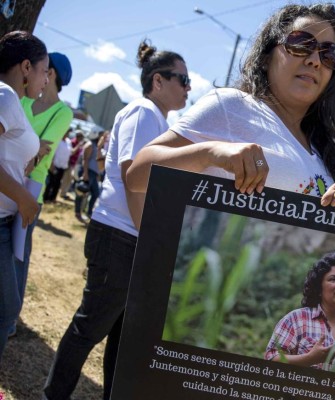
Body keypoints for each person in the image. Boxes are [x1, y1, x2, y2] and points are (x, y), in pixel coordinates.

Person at [43, 39, 191, 400]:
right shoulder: (143, 113)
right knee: (90, 327)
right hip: (121, 235)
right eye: (182, 80)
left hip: (129, 236)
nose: (189, 88)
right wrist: (149, 239)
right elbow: (133, 179)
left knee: (122, 338)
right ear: (158, 80)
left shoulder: (154, 118)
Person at [127, 3, 335, 212]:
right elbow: (137, 175)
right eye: (301, 43)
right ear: (265, 57)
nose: (314, 60)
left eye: (329, 54)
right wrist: (210, 153)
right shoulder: (231, 105)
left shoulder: (321, 151)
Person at [11, 51, 73, 337]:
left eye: (46, 67)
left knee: (18, 251)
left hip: (30, 185)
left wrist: (18, 152)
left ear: (54, 74)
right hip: (9, 178)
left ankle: (10, 317)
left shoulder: (63, 112)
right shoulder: (22, 99)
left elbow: (44, 148)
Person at [0, 30, 48, 362]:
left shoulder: (13, 101)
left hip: (6, 222)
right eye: (45, 71)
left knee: (7, 307)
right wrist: (24, 198)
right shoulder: (4, 95)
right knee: (5, 310)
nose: (47, 79)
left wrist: (28, 160)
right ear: (27, 67)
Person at [264, 252, 335, 379]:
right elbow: (270, 360)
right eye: (333, 279)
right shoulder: (296, 319)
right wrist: (309, 359)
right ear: (319, 288)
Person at [74, 130, 101, 223]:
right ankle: (78, 213)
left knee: (96, 193)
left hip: (93, 173)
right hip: (88, 172)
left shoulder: (97, 146)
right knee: (81, 192)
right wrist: (85, 173)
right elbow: (85, 159)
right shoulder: (90, 145)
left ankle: (88, 213)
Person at [43, 128, 73, 202]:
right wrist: (52, 164)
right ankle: (46, 198)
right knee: (51, 182)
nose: (68, 134)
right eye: (67, 132)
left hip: (63, 166)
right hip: (55, 165)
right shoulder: (58, 140)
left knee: (57, 183)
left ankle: (53, 198)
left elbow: (70, 153)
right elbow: (53, 152)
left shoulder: (68, 142)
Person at [59, 129, 85, 200]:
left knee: (69, 179)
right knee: (66, 178)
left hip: (74, 164)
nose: (82, 138)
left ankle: (64, 192)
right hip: (69, 163)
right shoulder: (73, 142)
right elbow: (71, 152)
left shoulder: (78, 143)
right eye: (81, 137)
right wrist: (78, 146)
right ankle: (62, 193)